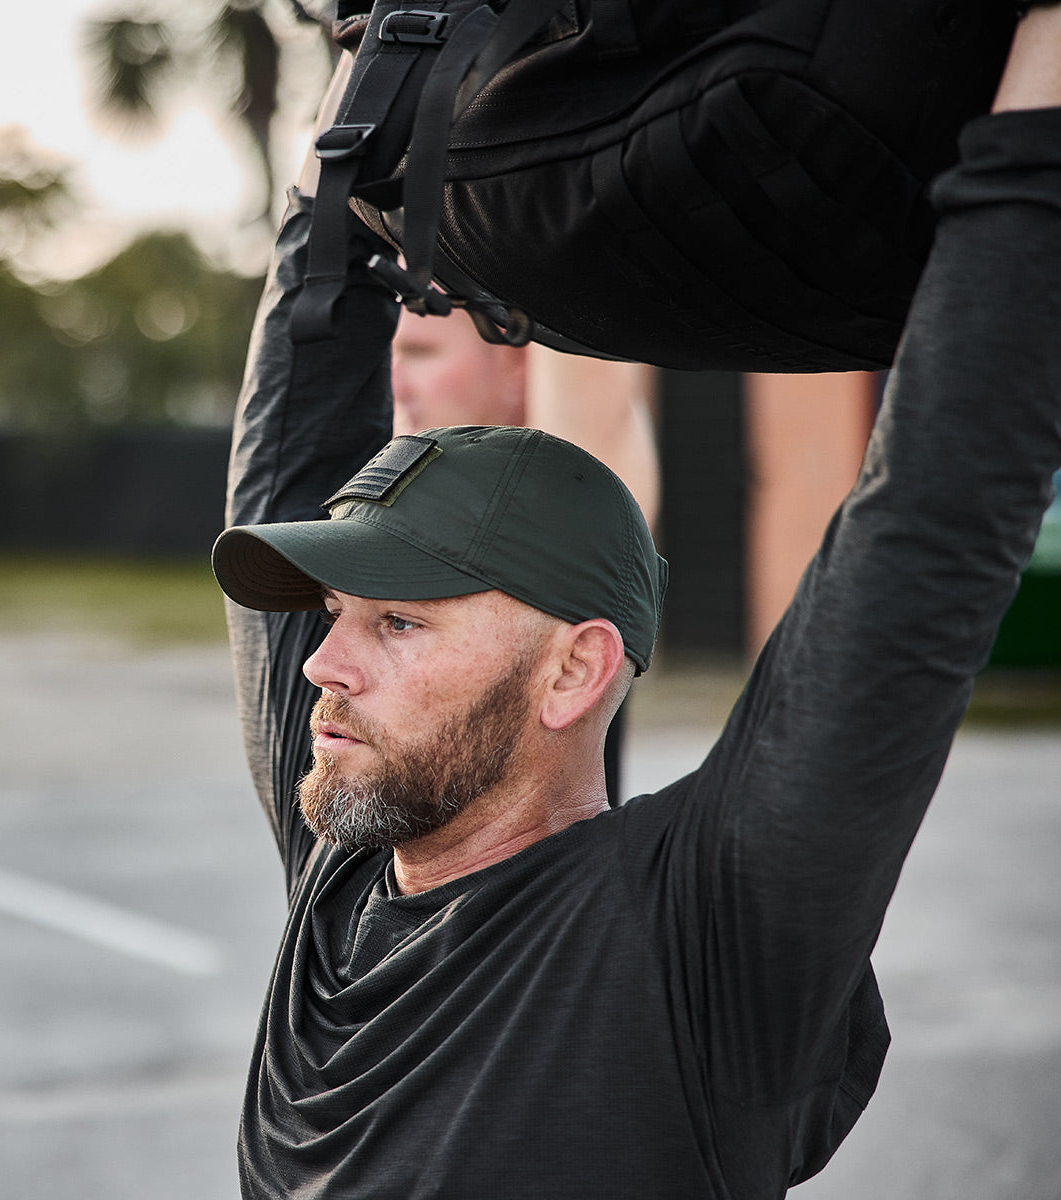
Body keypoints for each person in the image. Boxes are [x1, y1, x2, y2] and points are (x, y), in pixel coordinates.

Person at [211, 8, 1061, 1196]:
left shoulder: (702, 940)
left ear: (576, 670)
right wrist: (373, 83)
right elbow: (289, 436)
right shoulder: (344, 868)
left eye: (400, 621)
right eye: (339, 612)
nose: (320, 668)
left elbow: (931, 527)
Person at [391, 305, 660, 803]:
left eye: (419, 352)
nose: (395, 383)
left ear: (520, 366)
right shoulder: (385, 519)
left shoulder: (574, 498)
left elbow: (577, 271)